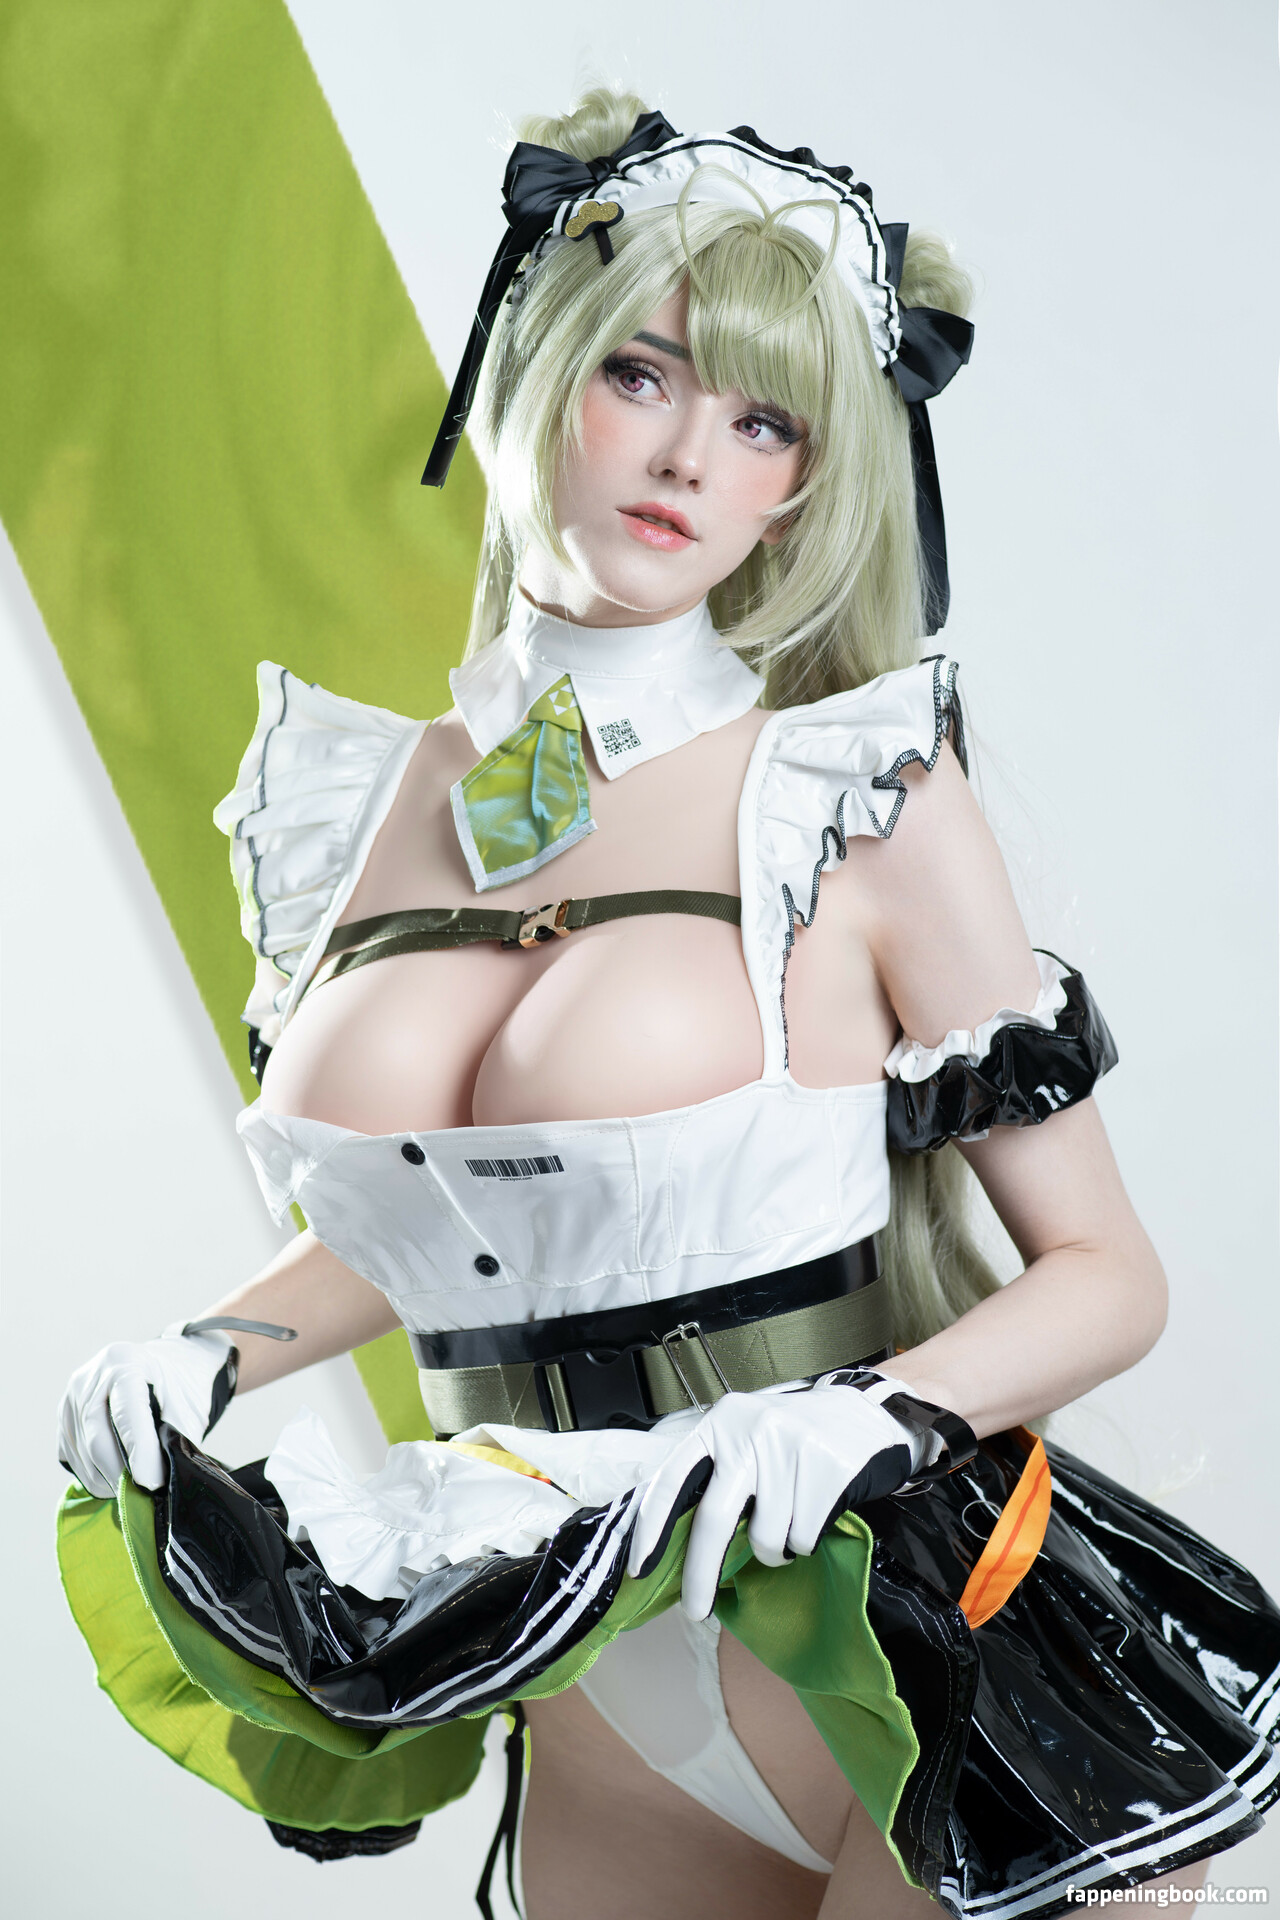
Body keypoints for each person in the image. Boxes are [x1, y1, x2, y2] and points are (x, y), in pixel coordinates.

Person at [55, 89, 1280, 1920]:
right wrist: (209, 1351)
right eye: (643, 374)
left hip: (906, 1634)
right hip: (586, 1648)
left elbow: (1109, 1273)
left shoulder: (856, 799)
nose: (691, 455)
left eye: (764, 419)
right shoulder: (382, 803)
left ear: (803, 485)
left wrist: (876, 1415)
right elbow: (439, 1235)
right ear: (539, 366)